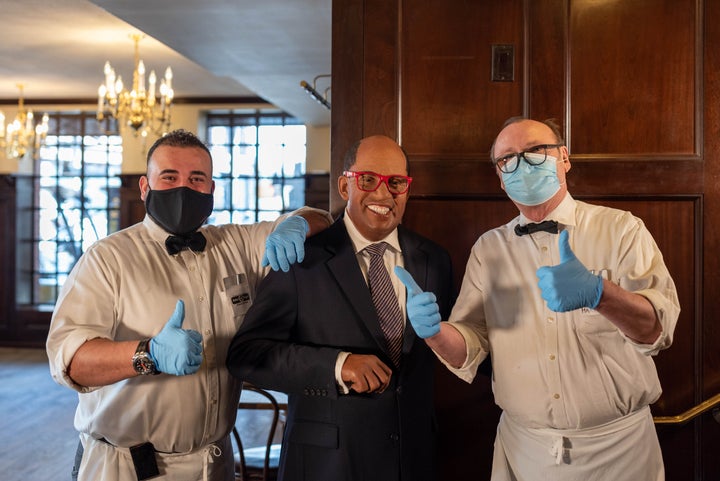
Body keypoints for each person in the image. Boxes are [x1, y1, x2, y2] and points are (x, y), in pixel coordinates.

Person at [397, 117, 681, 481]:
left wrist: (601, 294)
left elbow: (658, 329)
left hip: (619, 451)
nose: (521, 163)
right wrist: (434, 333)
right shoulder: (488, 249)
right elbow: (470, 342)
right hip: (524, 450)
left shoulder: (622, 229)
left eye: (535, 151)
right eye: (507, 159)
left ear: (564, 158)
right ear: (500, 177)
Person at [46, 129, 332, 481]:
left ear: (212, 189)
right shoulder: (107, 259)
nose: (184, 188)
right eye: (169, 177)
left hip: (215, 462)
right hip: (126, 467)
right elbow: (71, 361)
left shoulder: (236, 244)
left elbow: (319, 216)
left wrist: (298, 224)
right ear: (144, 187)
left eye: (197, 178)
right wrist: (148, 354)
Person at [226, 134, 454, 481]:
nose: (382, 194)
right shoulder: (301, 258)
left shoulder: (434, 259)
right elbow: (246, 356)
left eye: (396, 182)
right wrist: (337, 366)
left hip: (412, 459)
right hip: (326, 464)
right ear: (345, 187)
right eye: (367, 179)